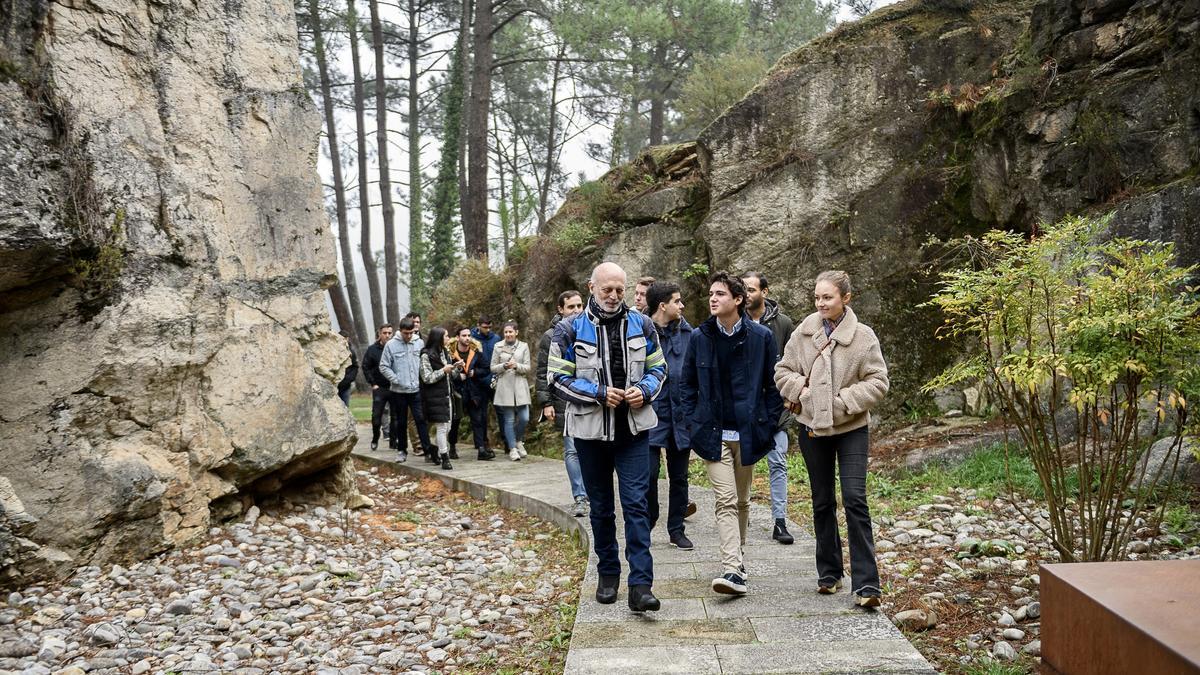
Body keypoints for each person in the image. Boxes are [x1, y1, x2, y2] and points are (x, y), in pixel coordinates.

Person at [549, 262, 666, 612]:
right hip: (589, 433)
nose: (614, 296)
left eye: (620, 289)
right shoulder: (567, 329)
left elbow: (660, 369)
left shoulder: (643, 324)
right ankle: (608, 573)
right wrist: (600, 393)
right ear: (591, 288)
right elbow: (557, 378)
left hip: (633, 432)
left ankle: (641, 585)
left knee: (636, 505)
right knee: (601, 508)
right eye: (607, 290)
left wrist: (643, 391)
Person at [774, 270, 889, 608]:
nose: (821, 303)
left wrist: (840, 403)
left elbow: (878, 381)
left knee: (855, 499)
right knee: (822, 500)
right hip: (811, 428)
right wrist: (805, 391)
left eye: (828, 297)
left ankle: (867, 585)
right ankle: (829, 574)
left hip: (851, 428)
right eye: (817, 298)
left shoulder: (863, 337)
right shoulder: (803, 332)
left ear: (845, 298)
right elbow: (782, 371)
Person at [681, 271, 784, 596]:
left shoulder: (761, 337)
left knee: (741, 501)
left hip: (750, 433)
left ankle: (738, 559)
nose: (713, 298)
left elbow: (773, 386)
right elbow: (687, 385)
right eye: (711, 293)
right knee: (724, 500)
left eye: (721, 294)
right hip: (713, 435)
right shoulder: (700, 337)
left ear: (738, 300)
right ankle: (731, 567)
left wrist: (766, 423)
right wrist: (693, 422)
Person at [742, 271, 798, 545]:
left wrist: (790, 397)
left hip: (777, 408)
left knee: (778, 463)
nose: (748, 294)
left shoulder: (784, 324)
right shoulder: (735, 321)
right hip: (745, 410)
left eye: (752, 289)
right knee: (745, 465)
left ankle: (779, 521)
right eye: (744, 290)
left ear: (764, 291)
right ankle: (743, 514)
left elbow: (795, 363)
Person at [645, 281, 696, 551]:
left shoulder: (689, 334)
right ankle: (649, 518)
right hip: (651, 416)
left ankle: (677, 529)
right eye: (677, 301)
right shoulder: (641, 333)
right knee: (649, 474)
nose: (682, 305)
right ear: (662, 305)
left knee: (679, 477)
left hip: (682, 416)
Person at [536, 291, 590, 517]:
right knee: (572, 450)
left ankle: (593, 493)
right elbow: (542, 372)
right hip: (564, 401)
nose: (577, 310)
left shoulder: (591, 329)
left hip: (589, 398)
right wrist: (545, 402)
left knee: (590, 450)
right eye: (571, 307)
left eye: (579, 305)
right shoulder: (551, 336)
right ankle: (579, 496)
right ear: (561, 309)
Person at [379, 317, 433, 462]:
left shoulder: (419, 342)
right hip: (398, 392)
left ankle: (428, 451)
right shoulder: (391, 345)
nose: (408, 336)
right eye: (405, 333)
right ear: (400, 331)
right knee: (401, 422)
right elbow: (383, 366)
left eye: (411, 333)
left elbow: (424, 363)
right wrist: (396, 379)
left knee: (420, 420)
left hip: (415, 389)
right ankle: (402, 451)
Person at [451, 325, 494, 461]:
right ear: (457, 337)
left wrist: (475, 372)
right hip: (457, 392)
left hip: (474, 391)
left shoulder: (476, 352)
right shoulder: (451, 354)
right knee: (455, 421)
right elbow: (445, 371)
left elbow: (487, 368)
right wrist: (458, 376)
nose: (467, 338)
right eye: (464, 336)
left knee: (478, 420)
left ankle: (481, 449)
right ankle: (452, 447)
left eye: (469, 335)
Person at [491, 321, 532, 461]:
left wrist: (516, 366)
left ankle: (518, 440)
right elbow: (492, 367)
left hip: (520, 384)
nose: (508, 334)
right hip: (505, 385)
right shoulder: (498, 346)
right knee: (508, 419)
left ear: (516, 332)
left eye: (511, 332)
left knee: (524, 417)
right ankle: (512, 448)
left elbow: (528, 367)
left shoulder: (524, 346)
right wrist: (504, 365)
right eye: (506, 332)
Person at [419, 326, 459, 470]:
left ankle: (434, 448)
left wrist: (455, 367)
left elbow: (450, 374)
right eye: (446, 336)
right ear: (438, 338)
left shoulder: (446, 352)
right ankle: (445, 458)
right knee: (442, 427)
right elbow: (427, 377)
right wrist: (443, 370)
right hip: (433, 397)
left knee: (447, 427)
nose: (449, 338)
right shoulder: (426, 355)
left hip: (447, 395)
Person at [361, 323, 394, 450]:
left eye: (389, 333)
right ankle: (375, 437)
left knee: (395, 416)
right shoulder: (372, 349)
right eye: (384, 333)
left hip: (394, 387)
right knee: (376, 416)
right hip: (379, 387)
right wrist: (373, 383)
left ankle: (393, 440)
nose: (387, 335)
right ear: (379, 334)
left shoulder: (395, 348)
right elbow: (365, 367)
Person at [472, 316, 503, 444]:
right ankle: (482, 442)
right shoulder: (471, 339)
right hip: (478, 382)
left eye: (490, 327)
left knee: (501, 411)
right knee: (481, 414)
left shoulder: (495, 338)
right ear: (478, 325)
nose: (488, 330)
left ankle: (507, 442)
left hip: (494, 380)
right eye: (485, 327)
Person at [337, 330, 359, 406]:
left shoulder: (351, 352)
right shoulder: (334, 351)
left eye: (346, 339)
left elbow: (355, 367)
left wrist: (348, 380)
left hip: (346, 385)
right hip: (335, 384)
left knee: (345, 406)